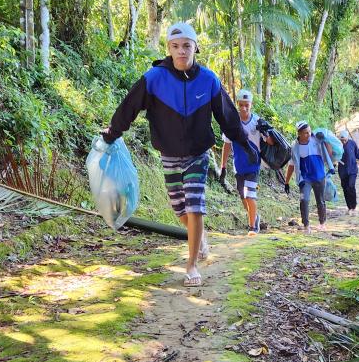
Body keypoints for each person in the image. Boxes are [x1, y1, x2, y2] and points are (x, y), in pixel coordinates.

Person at [101, 21, 258, 286]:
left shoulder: (208, 80)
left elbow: (228, 118)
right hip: (169, 154)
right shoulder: (154, 79)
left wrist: (245, 144)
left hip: (198, 153)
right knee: (179, 209)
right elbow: (128, 107)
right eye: (176, 46)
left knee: (195, 204)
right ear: (169, 49)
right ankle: (201, 239)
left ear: (196, 47)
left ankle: (191, 264)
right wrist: (112, 133)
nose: (181, 51)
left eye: (187, 46)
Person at [219, 89, 263, 236]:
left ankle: (252, 228)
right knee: (243, 197)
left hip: (253, 165)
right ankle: (255, 218)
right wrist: (223, 166)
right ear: (237, 104)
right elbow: (227, 145)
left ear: (251, 104)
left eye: (247, 105)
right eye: (241, 105)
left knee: (250, 195)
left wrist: (267, 132)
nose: (244, 108)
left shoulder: (257, 121)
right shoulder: (232, 123)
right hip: (239, 167)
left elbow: (269, 141)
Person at [284, 121, 335, 233]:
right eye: (306, 133)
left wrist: (325, 141)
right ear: (299, 134)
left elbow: (329, 154)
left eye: (309, 131)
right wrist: (286, 182)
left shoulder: (317, 140)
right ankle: (306, 225)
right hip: (304, 179)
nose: (309, 134)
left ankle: (322, 223)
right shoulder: (295, 146)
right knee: (304, 200)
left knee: (320, 201)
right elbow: (291, 165)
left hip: (319, 176)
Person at [336, 129, 359, 215]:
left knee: (351, 186)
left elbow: (358, 154)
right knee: (345, 188)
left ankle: (353, 206)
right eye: (341, 140)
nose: (343, 142)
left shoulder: (352, 143)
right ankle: (349, 207)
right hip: (342, 171)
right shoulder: (337, 145)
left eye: (344, 140)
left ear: (347, 138)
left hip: (352, 170)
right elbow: (334, 157)